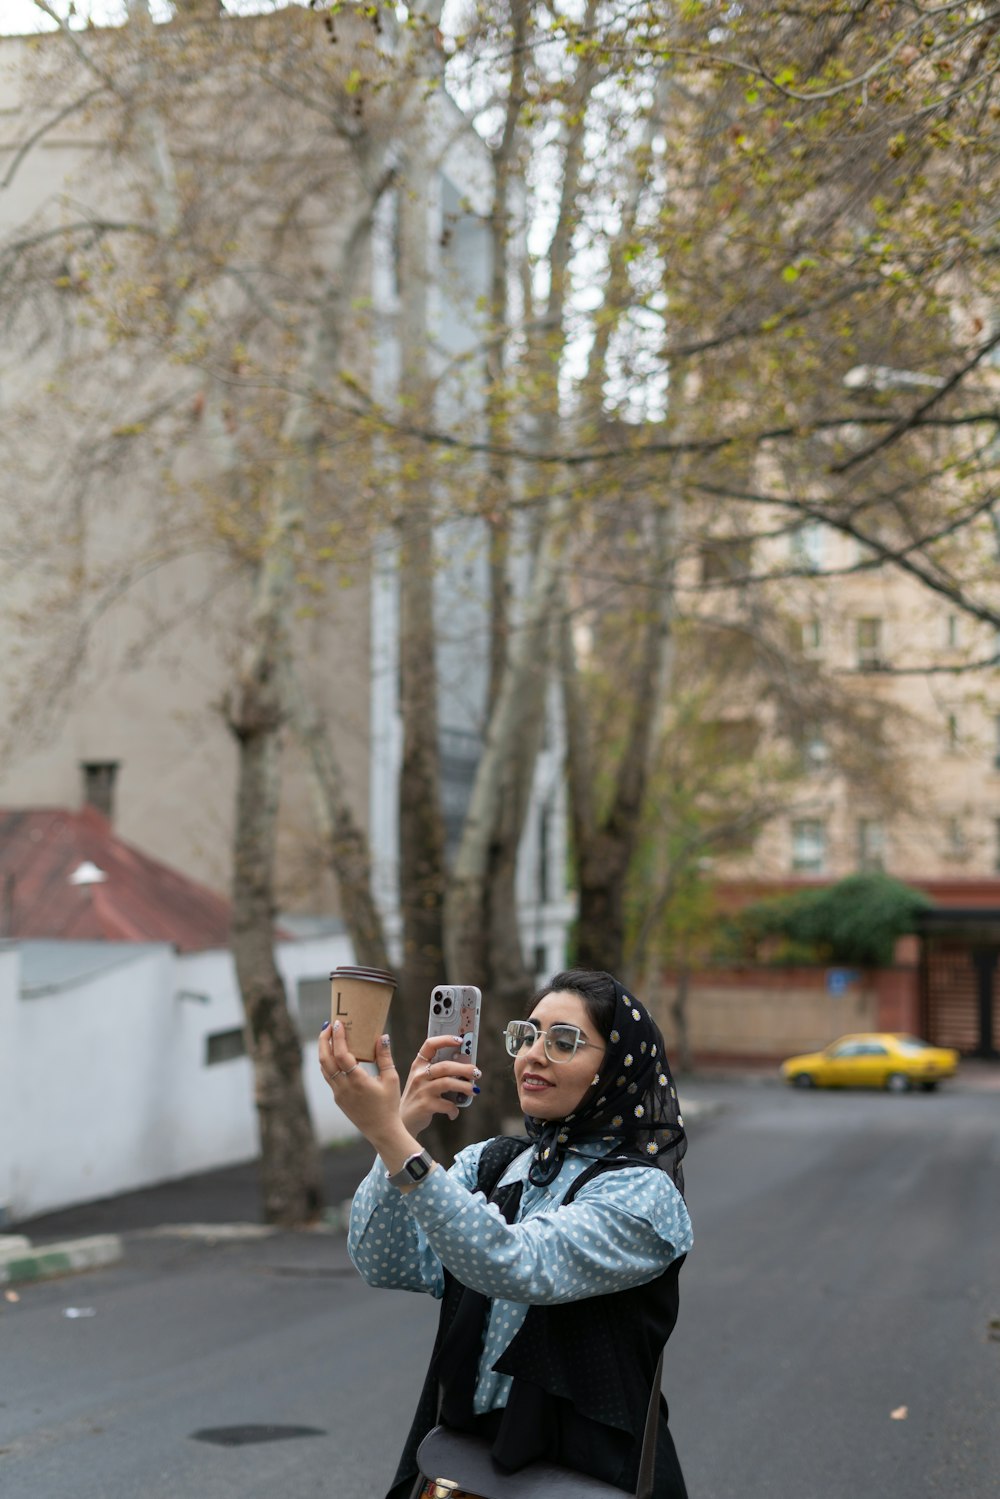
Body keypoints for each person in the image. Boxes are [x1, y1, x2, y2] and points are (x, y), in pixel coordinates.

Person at [319, 968, 692, 1499]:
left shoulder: (643, 1193)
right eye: (528, 1034)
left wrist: (389, 1135)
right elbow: (386, 1261)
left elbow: (520, 1265)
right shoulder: (495, 1163)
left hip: (588, 1469)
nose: (534, 1054)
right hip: (466, 1461)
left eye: (565, 1042)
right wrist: (401, 1128)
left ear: (614, 1070)